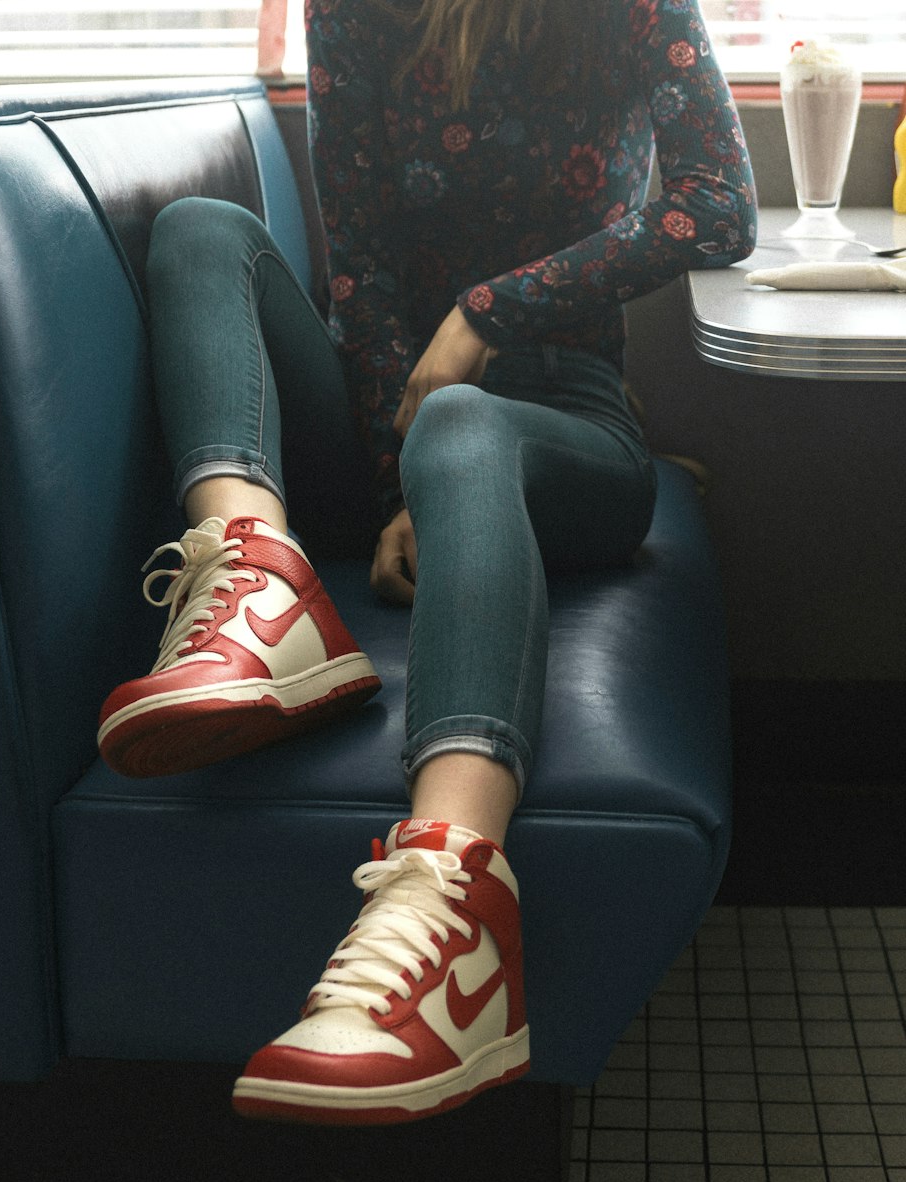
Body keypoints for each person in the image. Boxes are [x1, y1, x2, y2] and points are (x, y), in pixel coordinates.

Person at [98, 0, 756, 1125]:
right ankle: (256, 572)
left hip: (568, 428)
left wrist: (485, 314)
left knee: (463, 423)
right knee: (203, 229)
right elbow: (353, 258)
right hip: (387, 423)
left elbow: (718, 209)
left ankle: (453, 903)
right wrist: (405, 486)